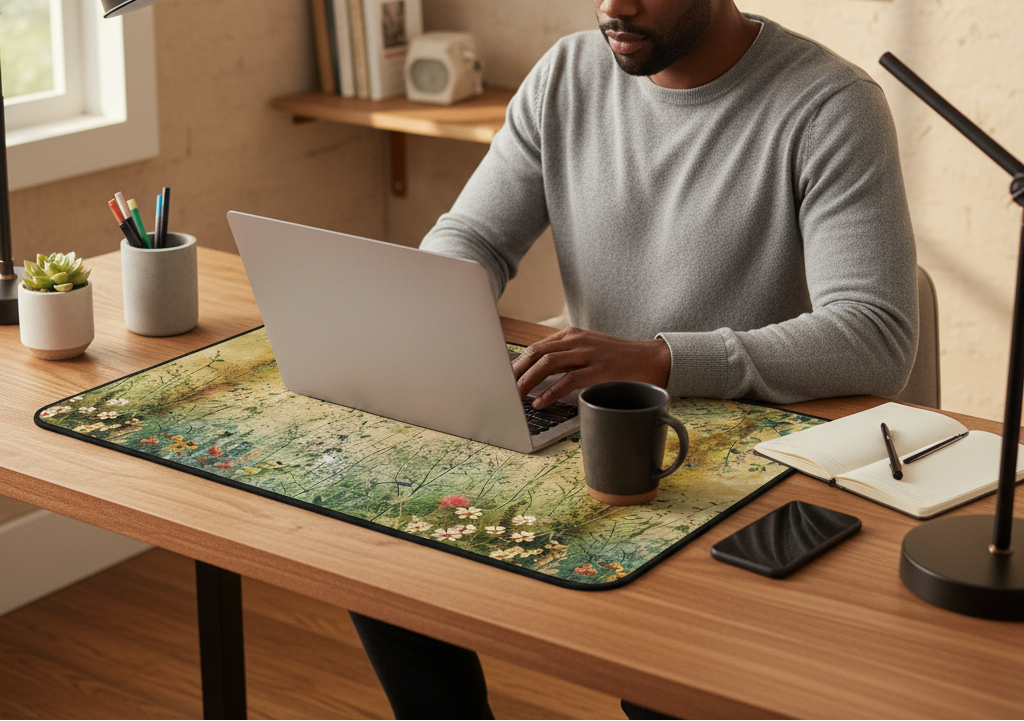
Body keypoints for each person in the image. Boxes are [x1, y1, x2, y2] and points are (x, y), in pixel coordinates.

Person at [351, 0, 918, 718]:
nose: (614, 6)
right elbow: (476, 236)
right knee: (383, 569)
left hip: (732, 464)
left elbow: (875, 335)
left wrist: (659, 359)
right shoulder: (567, 73)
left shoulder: (830, 105)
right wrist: (438, 302)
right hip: (589, 432)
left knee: (661, 689)